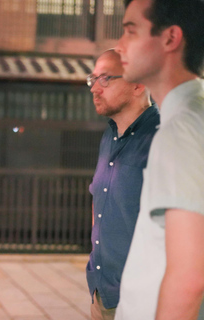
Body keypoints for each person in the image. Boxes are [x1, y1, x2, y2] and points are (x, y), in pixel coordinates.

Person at [114, 0, 204, 319]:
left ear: (170, 38)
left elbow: (189, 279)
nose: (119, 45)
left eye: (130, 31)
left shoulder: (181, 129)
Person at [86, 49, 159, 320]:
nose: (94, 88)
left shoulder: (164, 136)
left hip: (146, 300)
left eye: (105, 79)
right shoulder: (109, 135)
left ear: (138, 84)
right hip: (103, 292)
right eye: (92, 79)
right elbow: (99, 197)